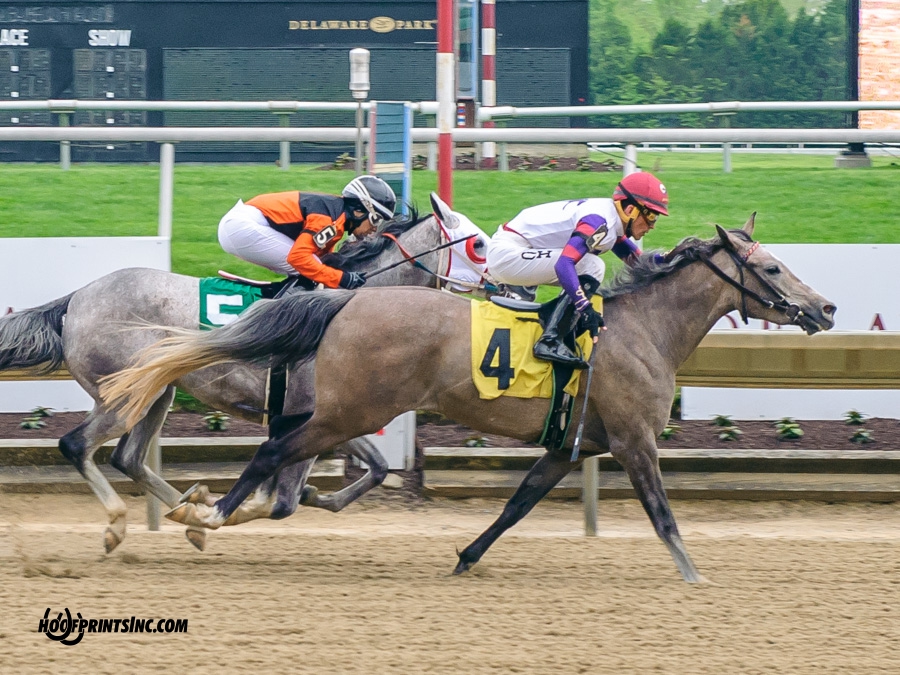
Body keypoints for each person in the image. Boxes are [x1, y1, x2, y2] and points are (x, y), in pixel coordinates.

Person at [485, 171, 669, 368]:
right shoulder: (599, 222)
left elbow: (640, 263)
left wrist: (674, 258)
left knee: (590, 265)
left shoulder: (610, 222)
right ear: (630, 209)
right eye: (650, 215)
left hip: (518, 249)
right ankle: (550, 340)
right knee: (591, 265)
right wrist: (586, 308)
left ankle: (556, 325)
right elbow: (564, 265)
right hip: (507, 253)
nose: (652, 225)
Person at [217, 175, 397, 290]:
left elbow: (325, 259)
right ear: (359, 210)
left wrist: (335, 275)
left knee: (315, 270)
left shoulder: (336, 218)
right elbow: (298, 258)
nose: (375, 228)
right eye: (375, 219)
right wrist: (341, 278)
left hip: (243, 224)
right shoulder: (328, 220)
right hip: (241, 226)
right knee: (308, 266)